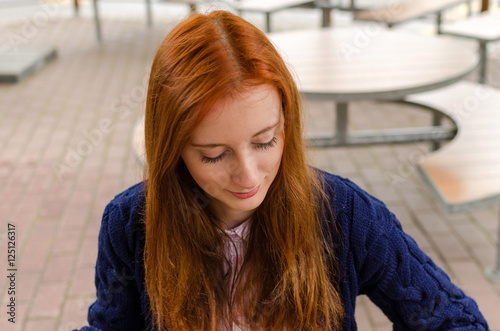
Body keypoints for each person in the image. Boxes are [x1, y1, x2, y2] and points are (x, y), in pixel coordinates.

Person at [75, 10, 489, 331]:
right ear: (171, 150)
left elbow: (455, 319)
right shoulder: (132, 224)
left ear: (286, 122)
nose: (250, 177)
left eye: (265, 141)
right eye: (214, 154)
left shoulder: (344, 215)